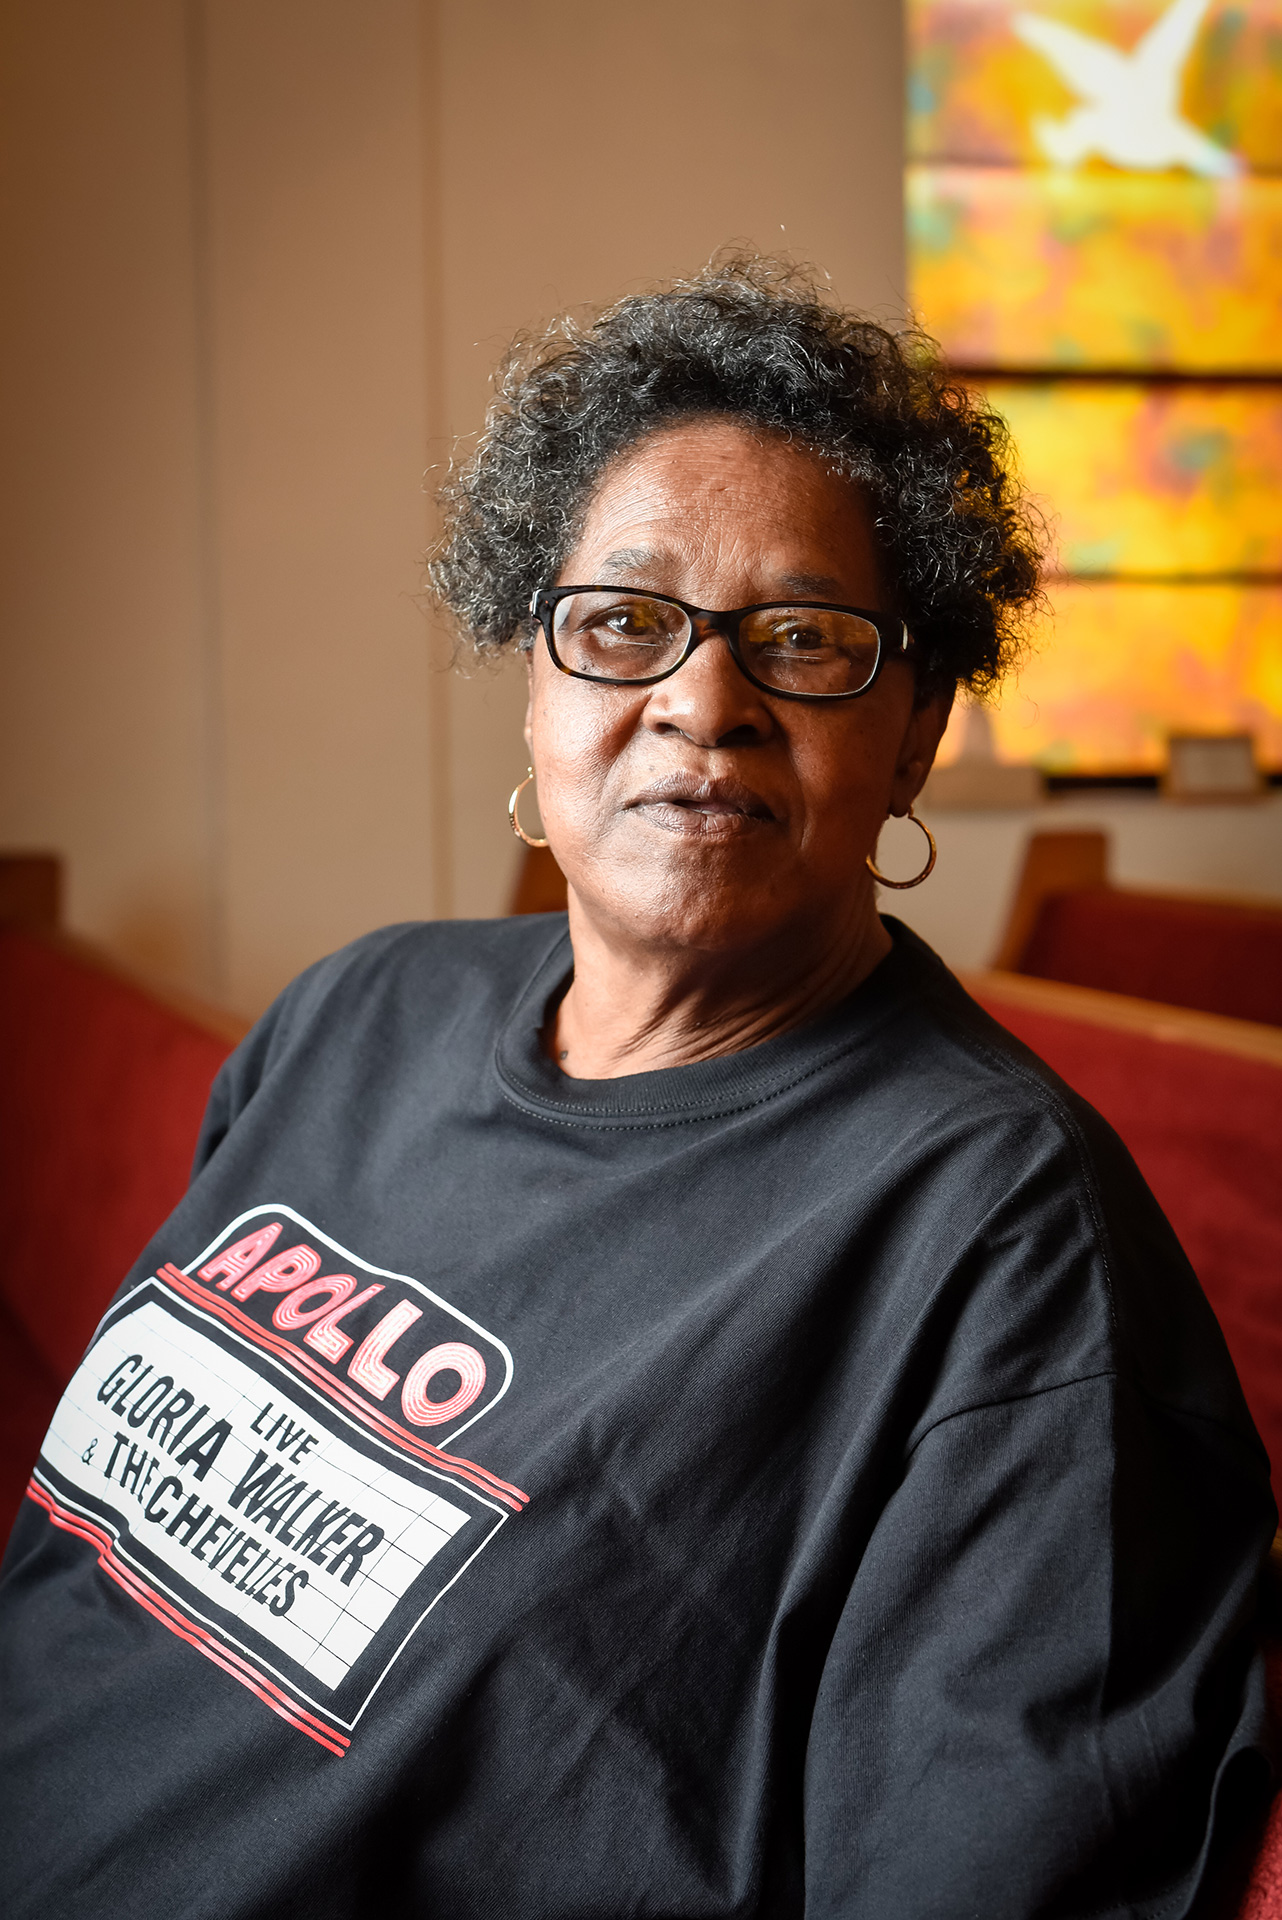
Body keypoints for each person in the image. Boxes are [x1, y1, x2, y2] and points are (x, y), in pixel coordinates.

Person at [0, 258, 1273, 1919]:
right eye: (621, 623)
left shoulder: (1012, 1258)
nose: (701, 701)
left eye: (805, 641)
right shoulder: (360, 1010)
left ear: (911, 732)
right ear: (533, 687)